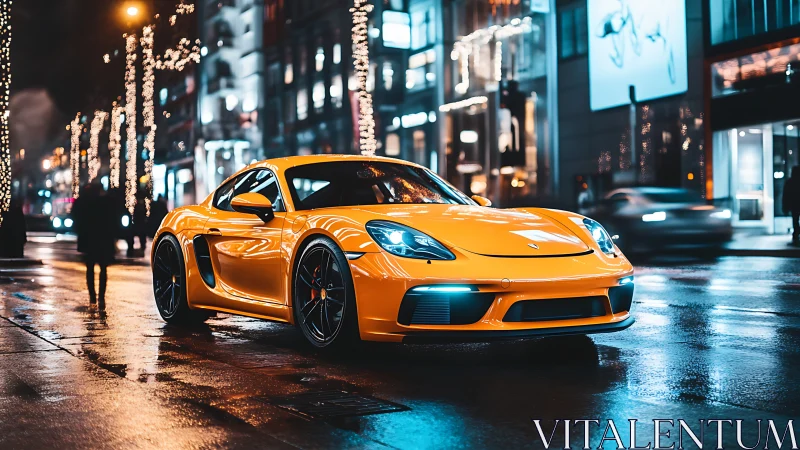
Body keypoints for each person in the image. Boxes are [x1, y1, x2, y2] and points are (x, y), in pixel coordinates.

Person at [72, 184, 117, 305]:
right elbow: (113, 219)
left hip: (89, 239)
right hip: (103, 239)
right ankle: (101, 297)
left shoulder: (83, 202)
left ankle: (92, 296)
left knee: (90, 268)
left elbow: (75, 217)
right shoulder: (106, 202)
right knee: (103, 268)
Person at [783, 165, 800, 246]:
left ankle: (796, 236)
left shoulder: (789, 182)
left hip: (794, 205)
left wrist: (785, 207)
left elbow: (786, 195)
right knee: (795, 221)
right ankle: (796, 234)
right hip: (796, 204)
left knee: (795, 220)